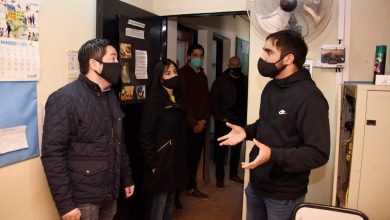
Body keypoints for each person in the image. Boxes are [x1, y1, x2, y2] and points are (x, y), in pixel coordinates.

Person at [218, 30, 330, 220]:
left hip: (284, 194)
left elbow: (318, 153)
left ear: (288, 59)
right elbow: (269, 123)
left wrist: (273, 155)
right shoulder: (271, 86)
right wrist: (246, 131)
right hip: (256, 185)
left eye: (268, 52)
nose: (262, 57)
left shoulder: (310, 98)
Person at [41, 39, 135, 220]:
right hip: (82, 199)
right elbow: (53, 154)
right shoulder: (65, 98)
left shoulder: (110, 97)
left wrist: (127, 176)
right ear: (94, 63)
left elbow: (118, 141)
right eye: (113, 58)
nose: (118, 64)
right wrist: (66, 203)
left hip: (110, 191)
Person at [140, 59, 187, 220]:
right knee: (159, 204)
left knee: (170, 200)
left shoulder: (178, 97)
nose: (173, 75)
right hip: (161, 160)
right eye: (168, 73)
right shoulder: (154, 101)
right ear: (160, 78)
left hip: (175, 159)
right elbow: (145, 135)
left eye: (175, 72)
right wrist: (152, 162)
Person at [178, 43, 211, 202]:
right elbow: (183, 102)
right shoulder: (182, 74)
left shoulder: (202, 75)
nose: (199, 58)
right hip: (186, 126)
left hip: (201, 125)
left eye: (201, 55)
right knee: (182, 160)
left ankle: (191, 187)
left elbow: (206, 100)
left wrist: (203, 120)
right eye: (196, 55)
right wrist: (193, 123)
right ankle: (176, 196)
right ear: (189, 56)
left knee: (195, 159)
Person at [211, 56, 247, 190]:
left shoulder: (244, 79)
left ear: (241, 64)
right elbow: (213, 102)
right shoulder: (221, 80)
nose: (236, 67)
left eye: (238, 64)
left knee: (237, 150)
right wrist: (222, 118)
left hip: (239, 122)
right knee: (221, 151)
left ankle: (233, 174)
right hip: (225, 121)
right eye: (233, 64)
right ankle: (219, 179)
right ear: (228, 65)